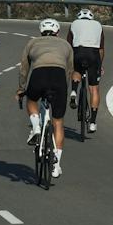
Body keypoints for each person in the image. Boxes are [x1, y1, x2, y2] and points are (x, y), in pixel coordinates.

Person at [17, 17, 76, 177]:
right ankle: (56, 165)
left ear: (41, 31)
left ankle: (36, 128)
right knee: (58, 122)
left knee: (31, 100)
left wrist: (21, 88)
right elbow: (70, 70)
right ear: (58, 31)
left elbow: (24, 66)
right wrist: (63, 89)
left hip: (39, 74)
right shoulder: (66, 44)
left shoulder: (33, 42)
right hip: (58, 78)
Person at [65, 8, 105, 130]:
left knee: (76, 71)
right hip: (93, 54)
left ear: (79, 17)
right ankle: (92, 122)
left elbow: (68, 45)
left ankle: (74, 91)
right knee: (94, 89)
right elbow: (101, 49)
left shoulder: (74, 24)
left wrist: (70, 63)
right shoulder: (98, 25)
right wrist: (100, 64)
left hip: (78, 51)